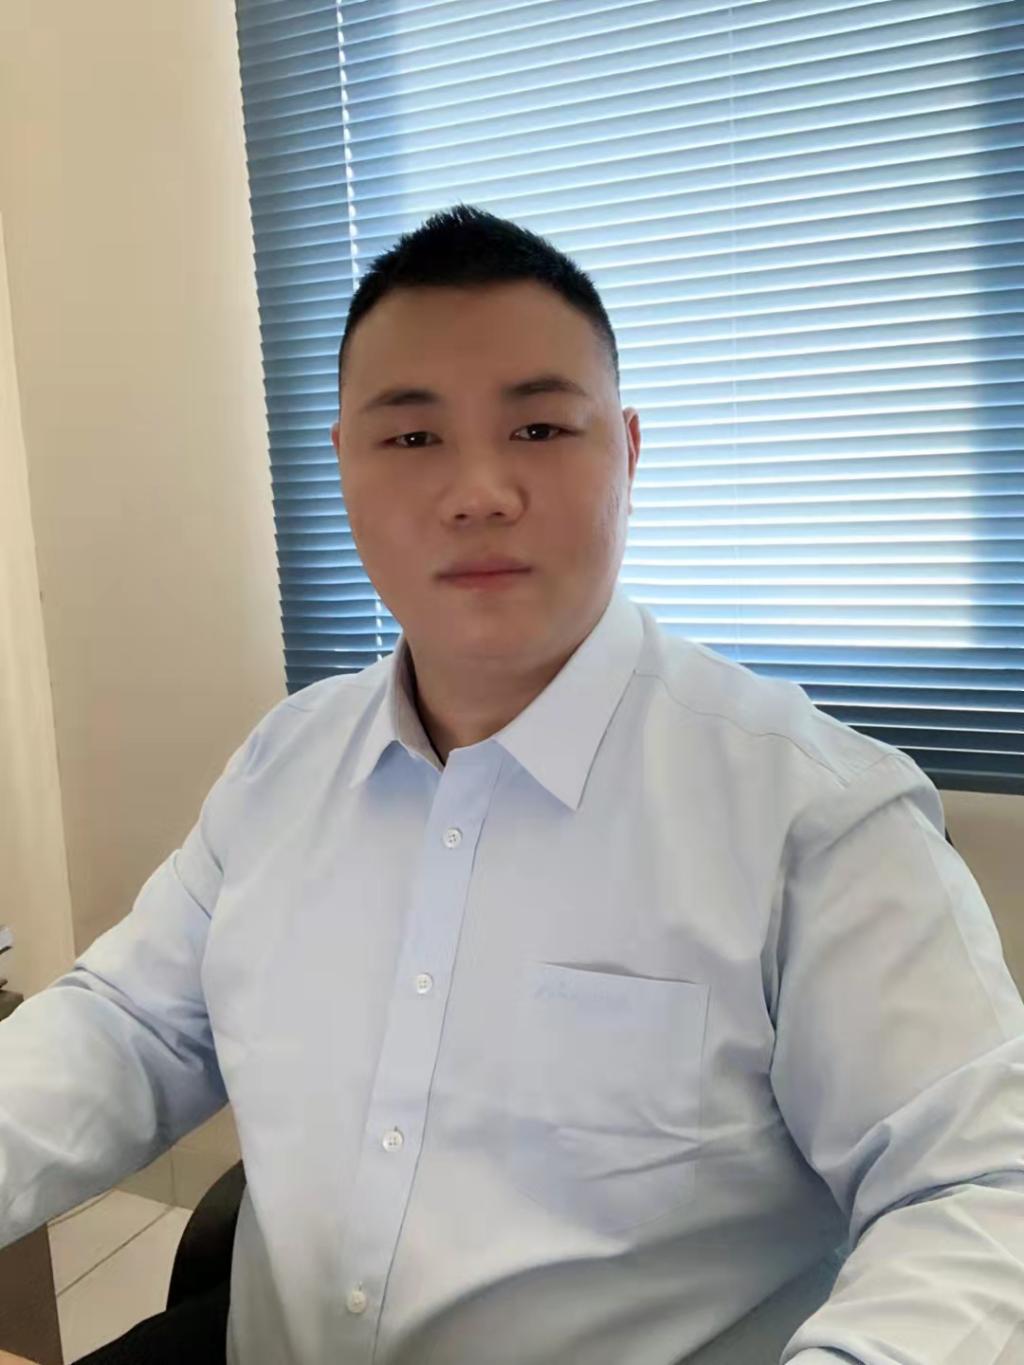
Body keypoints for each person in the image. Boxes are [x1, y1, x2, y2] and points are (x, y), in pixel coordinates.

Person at [1, 204, 1022, 1365]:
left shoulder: (817, 815)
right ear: (342, 465)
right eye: (411, 436)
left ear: (626, 451)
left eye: (539, 428)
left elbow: (981, 1191)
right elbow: (128, 1029)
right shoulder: (285, 763)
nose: (479, 490)